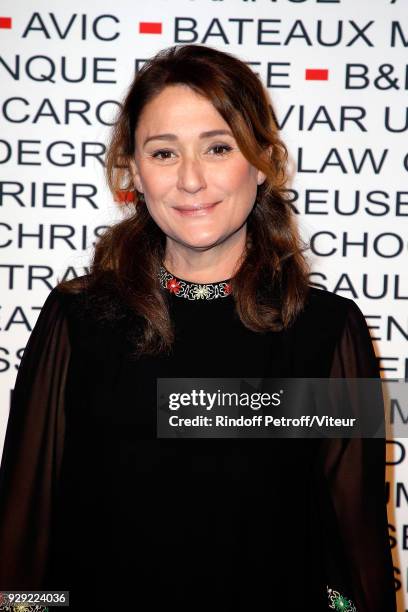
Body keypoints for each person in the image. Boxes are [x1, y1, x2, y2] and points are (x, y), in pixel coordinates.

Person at [0, 43, 396, 612]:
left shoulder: (326, 332)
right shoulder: (78, 319)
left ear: (260, 162)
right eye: (163, 153)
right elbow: (25, 536)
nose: (190, 180)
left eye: (217, 147)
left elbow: (354, 548)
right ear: (134, 170)